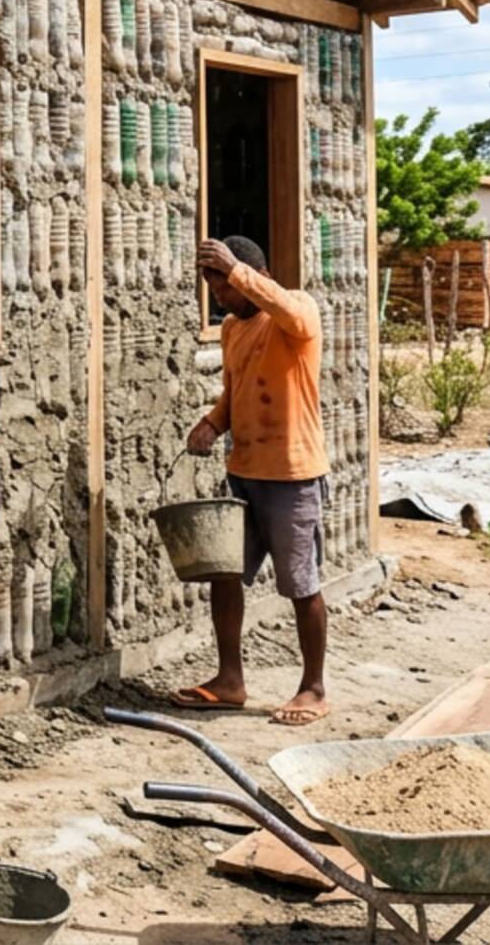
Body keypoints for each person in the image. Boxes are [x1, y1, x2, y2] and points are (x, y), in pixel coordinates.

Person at [175, 235, 332, 727]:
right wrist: (212, 423)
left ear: (253, 274)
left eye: (223, 283)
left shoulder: (296, 311)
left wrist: (237, 269)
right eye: (212, 286)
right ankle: (230, 680)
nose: (218, 295)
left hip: (292, 474)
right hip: (243, 471)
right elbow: (236, 390)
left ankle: (313, 688)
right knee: (224, 574)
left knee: (300, 584)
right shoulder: (232, 331)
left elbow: (294, 315)